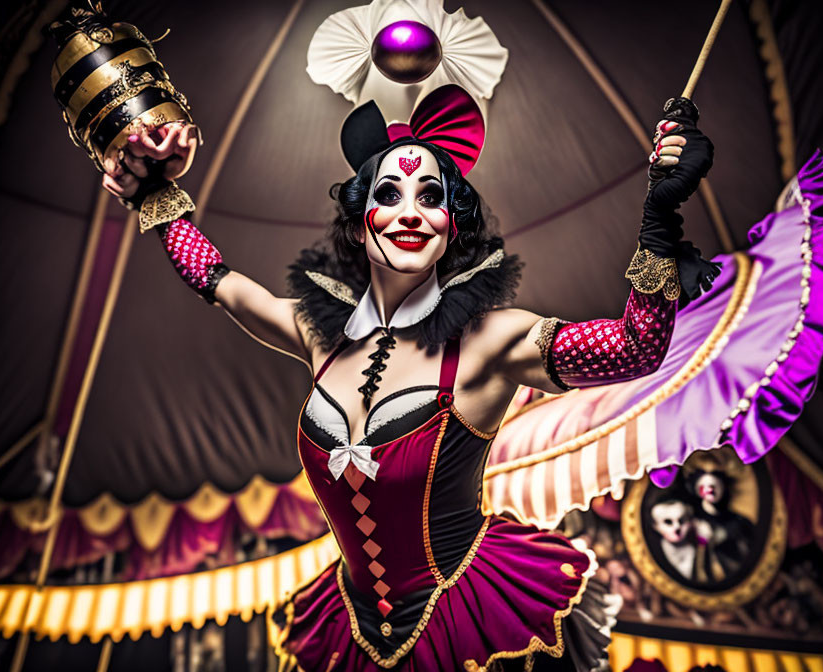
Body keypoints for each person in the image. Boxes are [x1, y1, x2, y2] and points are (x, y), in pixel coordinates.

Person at [49, 4, 718, 670]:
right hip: (350, 635)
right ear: (360, 217)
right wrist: (153, 196)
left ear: (453, 225)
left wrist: (660, 218)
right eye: (389, 193)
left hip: (468, 624)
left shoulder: (491, 342)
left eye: (431, 196)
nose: (409, 212)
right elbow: (219, 281)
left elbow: (635, 349)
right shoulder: (319, 334)